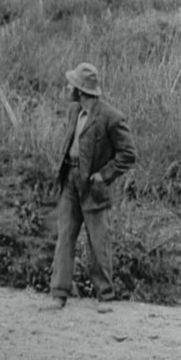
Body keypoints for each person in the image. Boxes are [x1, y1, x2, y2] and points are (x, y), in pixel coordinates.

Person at [48, 62, 136, 311]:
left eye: (72, 85)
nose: (68, 88)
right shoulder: (74, 111)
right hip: (70, 179)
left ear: (80, 90)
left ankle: (105, 296)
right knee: (65, 236)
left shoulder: (111, 117)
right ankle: (59, 294)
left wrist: (103, 176)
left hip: (93, 186)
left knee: (98, 241)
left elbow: (129, 154)